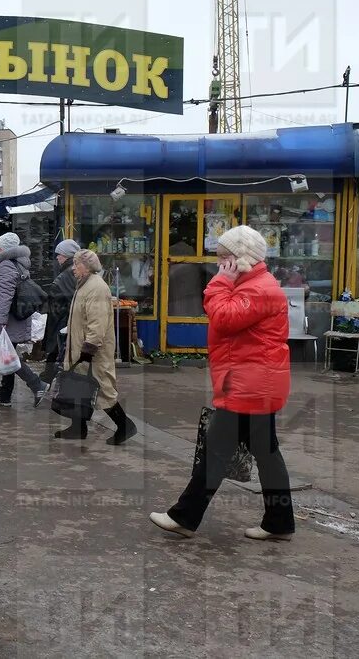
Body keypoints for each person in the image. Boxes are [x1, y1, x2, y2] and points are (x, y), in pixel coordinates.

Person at [150, 225, 295, 541]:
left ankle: (184, 517)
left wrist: (219, 282)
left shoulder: (259, 289)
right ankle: (279, 521)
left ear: (241, 258)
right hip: (253, 382)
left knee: (217, 451)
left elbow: (225, 319)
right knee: (266, 453)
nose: (219, 265)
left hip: (249, 384)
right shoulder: (254, 285)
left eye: (224, 258)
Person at [54, 249, 138, 445]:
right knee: (79, 387)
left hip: (93, 351)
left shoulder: (96, 287)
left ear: (87, 266)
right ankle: (78, 428)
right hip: (80, 348)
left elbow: (97, 323)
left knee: (102, 389)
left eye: (77, 264)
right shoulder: (85, 284)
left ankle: (125, 425)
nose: (73, 268)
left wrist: (89, 348)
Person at [0, 232, 48, 409]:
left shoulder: (5, 263)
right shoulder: (18, 263)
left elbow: (6, 294)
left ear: (4, 248)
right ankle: (4, 395)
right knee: (8, 353)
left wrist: (1, 319)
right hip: (14, 316)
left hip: (9, 318)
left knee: (8, 357)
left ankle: (37, 385)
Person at [40, 239, 80, 387]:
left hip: (62, 321)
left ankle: (44, 382)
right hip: (65, 319)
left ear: (67, 256)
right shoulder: (71, 271)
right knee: (58, 353)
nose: (57, 258)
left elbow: (68, 300)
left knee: (58, 351)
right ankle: (45, 381)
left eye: (60, 255)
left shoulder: (67, 274)